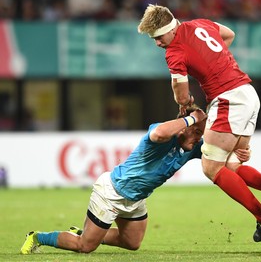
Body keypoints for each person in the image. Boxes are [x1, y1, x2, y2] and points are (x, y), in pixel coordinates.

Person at [137, 4, 261, 242]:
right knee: (231, 165)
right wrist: (211, 61)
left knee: (210, 167)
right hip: (247, 93)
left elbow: (182, 96)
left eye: (159, 37)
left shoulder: (174, 52)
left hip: (228, 99)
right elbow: (229, 34)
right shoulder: (200, 24)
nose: (158, 43)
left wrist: (186, 101)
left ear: (170, 29)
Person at [20, 106, 246, 254]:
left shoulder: (193, 148)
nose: (199, 138)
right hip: (112, 192)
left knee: (132, 243)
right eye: (197, 132)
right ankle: (38, 237)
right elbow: (159, 133)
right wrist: (190, 118)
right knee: (86, 247)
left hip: (135, 200)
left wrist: (241, 152)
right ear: (184, 128)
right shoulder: (160, 136)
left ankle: (84, 231)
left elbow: (224, 163)